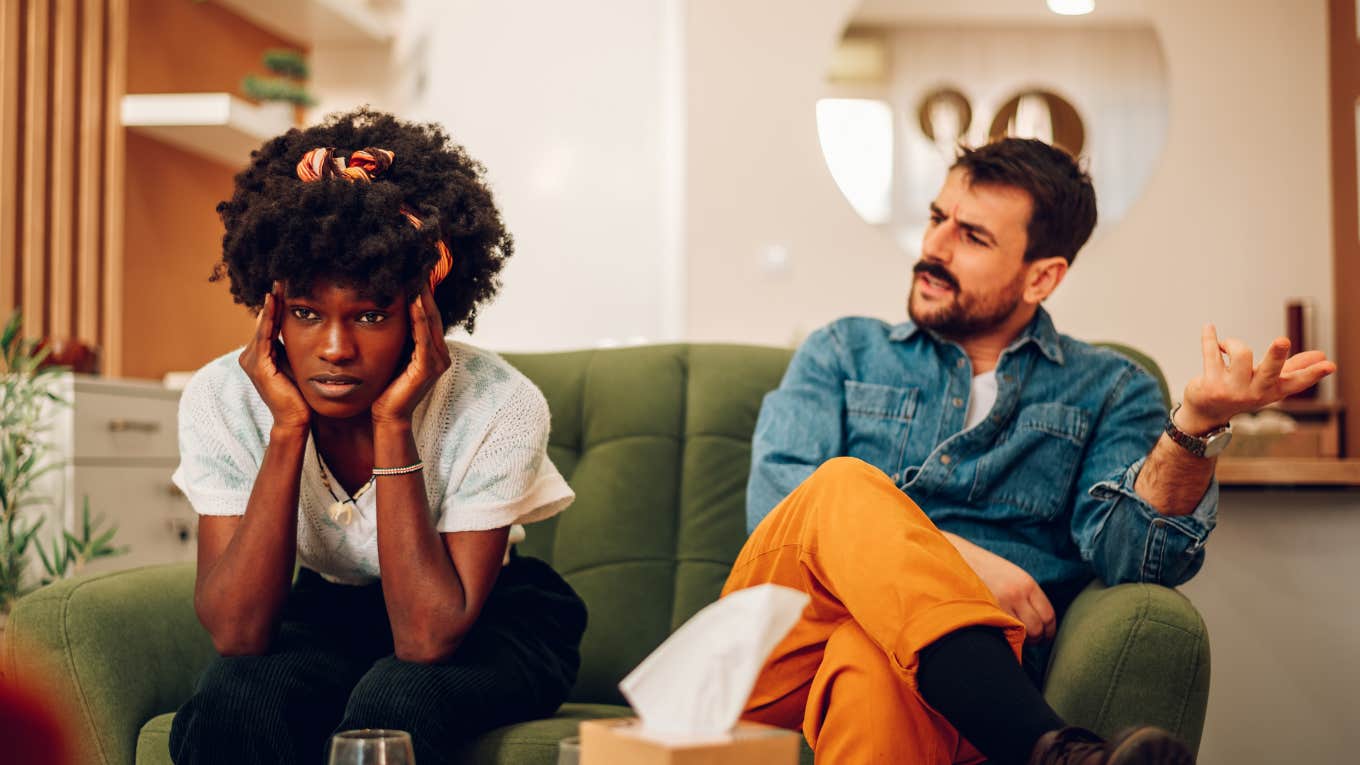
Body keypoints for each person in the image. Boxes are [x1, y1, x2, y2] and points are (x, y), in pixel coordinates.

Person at [725, 138, 1335, 764]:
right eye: (938, 219)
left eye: (972, 236)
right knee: (839, 485)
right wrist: (965, 564)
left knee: (873, 660)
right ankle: (1048, 748)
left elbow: (1136, 559)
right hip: (788, 649)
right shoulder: (842, 351)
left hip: (957, 685)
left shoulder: (1109, 386)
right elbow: (780, 509)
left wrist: (1195, 427)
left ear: (1042, 276)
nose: (934, 248)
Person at [167, 109, 586, 764]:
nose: (335, 348)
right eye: (306, 312)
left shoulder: (497, 404)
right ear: (271, 308)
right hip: (331, 613)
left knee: (396, 702)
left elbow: (425, 638)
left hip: (488, 621)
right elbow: (238, 633)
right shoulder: (224, 398)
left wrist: (394, 424)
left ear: (423, 311)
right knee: (234, 699)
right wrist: (287, 429)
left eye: (370, 313)